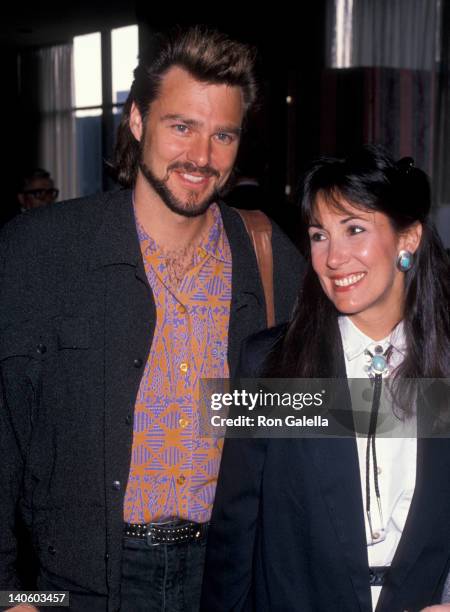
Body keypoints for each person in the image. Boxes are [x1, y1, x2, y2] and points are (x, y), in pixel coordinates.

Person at [0, 26, 303, 612]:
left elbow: (309, 416)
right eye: (181, 126)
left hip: (227, 575)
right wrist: (14, 593)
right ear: (138, 120)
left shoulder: (267, 257)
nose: (201, 157)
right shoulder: (39, 251)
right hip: (75, 586)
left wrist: (425, 405)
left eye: (223, 135)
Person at [201, 145, 450, 612]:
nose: (333, 258)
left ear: (407, 238)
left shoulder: (444, 365)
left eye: (354, 229)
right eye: (319, 235)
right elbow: (235, 537)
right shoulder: (273, 365)